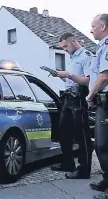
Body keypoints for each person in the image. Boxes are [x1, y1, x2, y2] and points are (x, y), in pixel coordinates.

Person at [50, 32, 93, 179]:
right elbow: (71, 79)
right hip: (68, 97)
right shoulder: (72, 57)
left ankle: (84, 170)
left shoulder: (85, 56)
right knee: (63, 131)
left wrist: (68, 75)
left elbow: (87, 80)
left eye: (65, 46)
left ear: (73, 41)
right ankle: (68, 163)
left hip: (79, 97)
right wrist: (62, 76)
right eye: (62, 47)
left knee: (81, 135)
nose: (64, 50)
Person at [86, 14, 108, 199]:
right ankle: (106, 181)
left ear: (103, 27)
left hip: (106, 100)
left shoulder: (107, 46)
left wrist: (90, 95)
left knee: (102, 145)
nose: (90, 29)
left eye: (93, 26)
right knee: (102, 145)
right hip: (102, 100)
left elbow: (104, 76)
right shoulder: (101, 46)